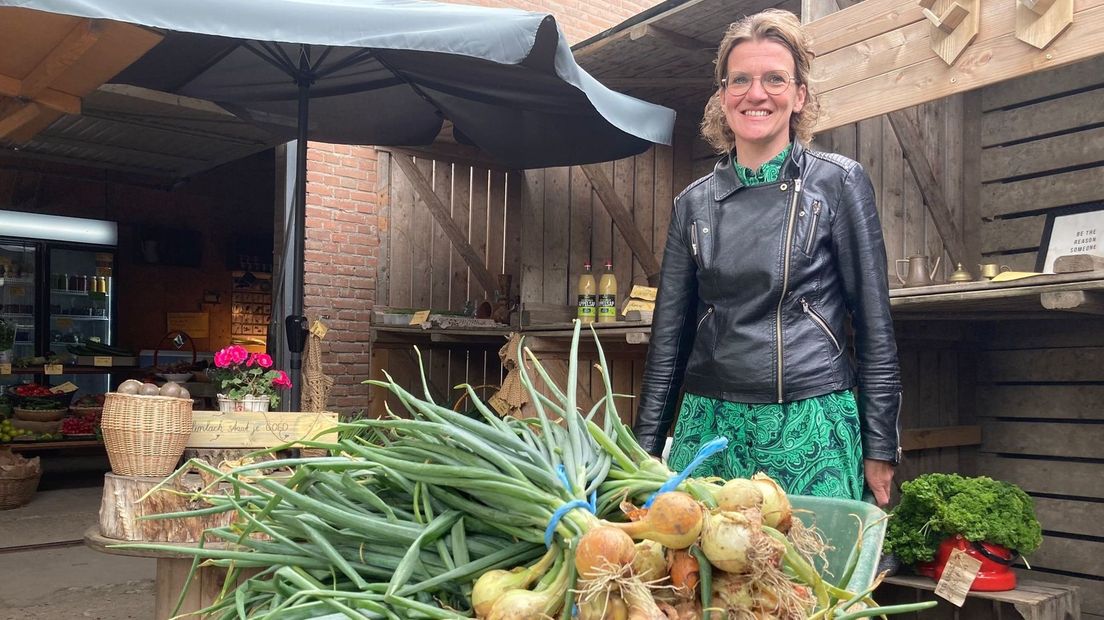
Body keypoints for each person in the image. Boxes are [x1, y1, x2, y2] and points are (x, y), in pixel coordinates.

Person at [632, 9, 901, 506]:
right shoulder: (693, 203)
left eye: (775, 78)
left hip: (810, 422)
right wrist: (645, 451)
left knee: (810, 575)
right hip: (709, 427)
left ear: (800, 95)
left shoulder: (837, 183)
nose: (756, 94)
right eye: (741, 80)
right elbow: (668, 340)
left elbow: (875, 324)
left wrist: (881, 443)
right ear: (722, 96)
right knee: (703, 576)